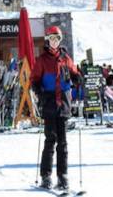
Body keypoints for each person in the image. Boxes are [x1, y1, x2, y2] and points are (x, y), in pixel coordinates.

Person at [31, 26, 82, 191]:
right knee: (50, 140)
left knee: (63, 142)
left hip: (64, 103)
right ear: (47, 40)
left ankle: (62, 175)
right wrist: (41, 94)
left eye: (57, 39)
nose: (54, 42)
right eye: (52, 39)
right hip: (49, 102)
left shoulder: (66, 58)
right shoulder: (42, 60)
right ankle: (46, 176)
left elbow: (75, 74)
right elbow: (34, 81)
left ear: (60, 40)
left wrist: (77, 78)